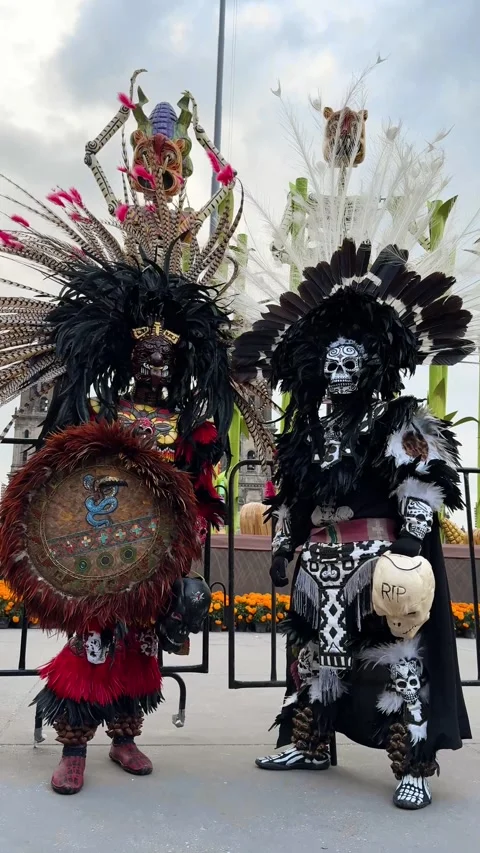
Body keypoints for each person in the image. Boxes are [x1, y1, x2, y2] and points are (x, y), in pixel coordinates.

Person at [0, 70, 269, 795]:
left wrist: (197, 476)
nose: (154, 362)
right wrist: (120, 129)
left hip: (156, 539)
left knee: (143, 636)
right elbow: (95, 158)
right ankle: (74, 746)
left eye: (164, 356)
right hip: (106, 530)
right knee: (94, 635)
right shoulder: (106, 409)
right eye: (144, 354)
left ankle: (125, 735)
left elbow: (198, 477)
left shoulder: (185, 418)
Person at [232, 80, 474, 810]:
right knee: (312, 657)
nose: (339, 372)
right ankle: (309, 740)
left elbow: (424, 472)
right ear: (316, 366)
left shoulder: (396, 415)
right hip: (320, 560)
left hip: (382, 561)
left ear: (370, 364)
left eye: (351, 362)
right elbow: (293, 491)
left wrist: (416, 533)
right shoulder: (310, 430)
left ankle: (411, 763)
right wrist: (285, 541)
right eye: (329, 363)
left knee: (397, 661)